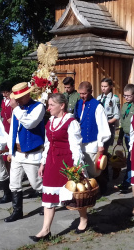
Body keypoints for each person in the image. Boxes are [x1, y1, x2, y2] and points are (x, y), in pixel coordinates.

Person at [30, 93, 86, 242]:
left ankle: (84, 219)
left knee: (75, 194)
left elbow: (76, 146)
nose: (48, 108)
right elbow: (47, 144)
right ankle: (45, 230)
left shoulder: (71, 122)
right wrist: (43, 163)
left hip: (67, 162)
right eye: (48, 105)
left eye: (51, 105)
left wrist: (78, 166)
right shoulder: (50, 122)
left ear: (61, 106)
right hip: (52, 162)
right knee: (49, 196)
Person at [5, 82, 45, 222]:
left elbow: (30, 123)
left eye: (20, 97)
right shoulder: (18, 109)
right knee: (14, 184)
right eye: (16, 98)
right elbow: (13, 131)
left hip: (32, 153)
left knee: (36, 184)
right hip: (17, 153)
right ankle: (17, 211)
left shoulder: (38, 107)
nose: (17, 100)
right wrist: (11, 150)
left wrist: (16, 109)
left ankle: (47, 205)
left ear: (28, 94)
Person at [74, 81, 111, 194]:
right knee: (82, 168)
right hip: (81, 141)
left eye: (84, 93)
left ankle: (102, 185)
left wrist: (101, 145)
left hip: (92, 142)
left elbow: (102, 126)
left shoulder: (97, 106)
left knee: (94, 170)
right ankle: (90, 191)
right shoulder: (78, 103)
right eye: (80, 93)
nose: (82, 96)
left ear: (90, 92)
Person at [96, 78, 120, 181]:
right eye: (102, 86)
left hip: (109, 127)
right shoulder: (99, 98)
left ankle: (106, 174)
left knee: (104, 151)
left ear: (110, 87)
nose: (103, 88)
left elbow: (117, 116)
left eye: (105, 86)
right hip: (99, 128)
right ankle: (101, 172)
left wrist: (106, 123)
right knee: (100, 151)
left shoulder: (114, 99)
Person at [115, 84, 134, 192]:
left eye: (129, 96)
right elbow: (122, 123)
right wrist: (120, 137)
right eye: (125, 96)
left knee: (130, 160)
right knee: (131, 159)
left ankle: (127, 182)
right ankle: (131, 180)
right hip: (126, 136)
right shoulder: (124, 106)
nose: (126, 98)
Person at [0, 82, 13, 176]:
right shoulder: (4, 101)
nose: (4, 95)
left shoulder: (14, 100)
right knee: (4, 153)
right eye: (3, 93)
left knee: (11, 151)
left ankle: (13, 173)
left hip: (11, 126)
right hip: (4, 126)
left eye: (6, 93)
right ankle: (8, 173)